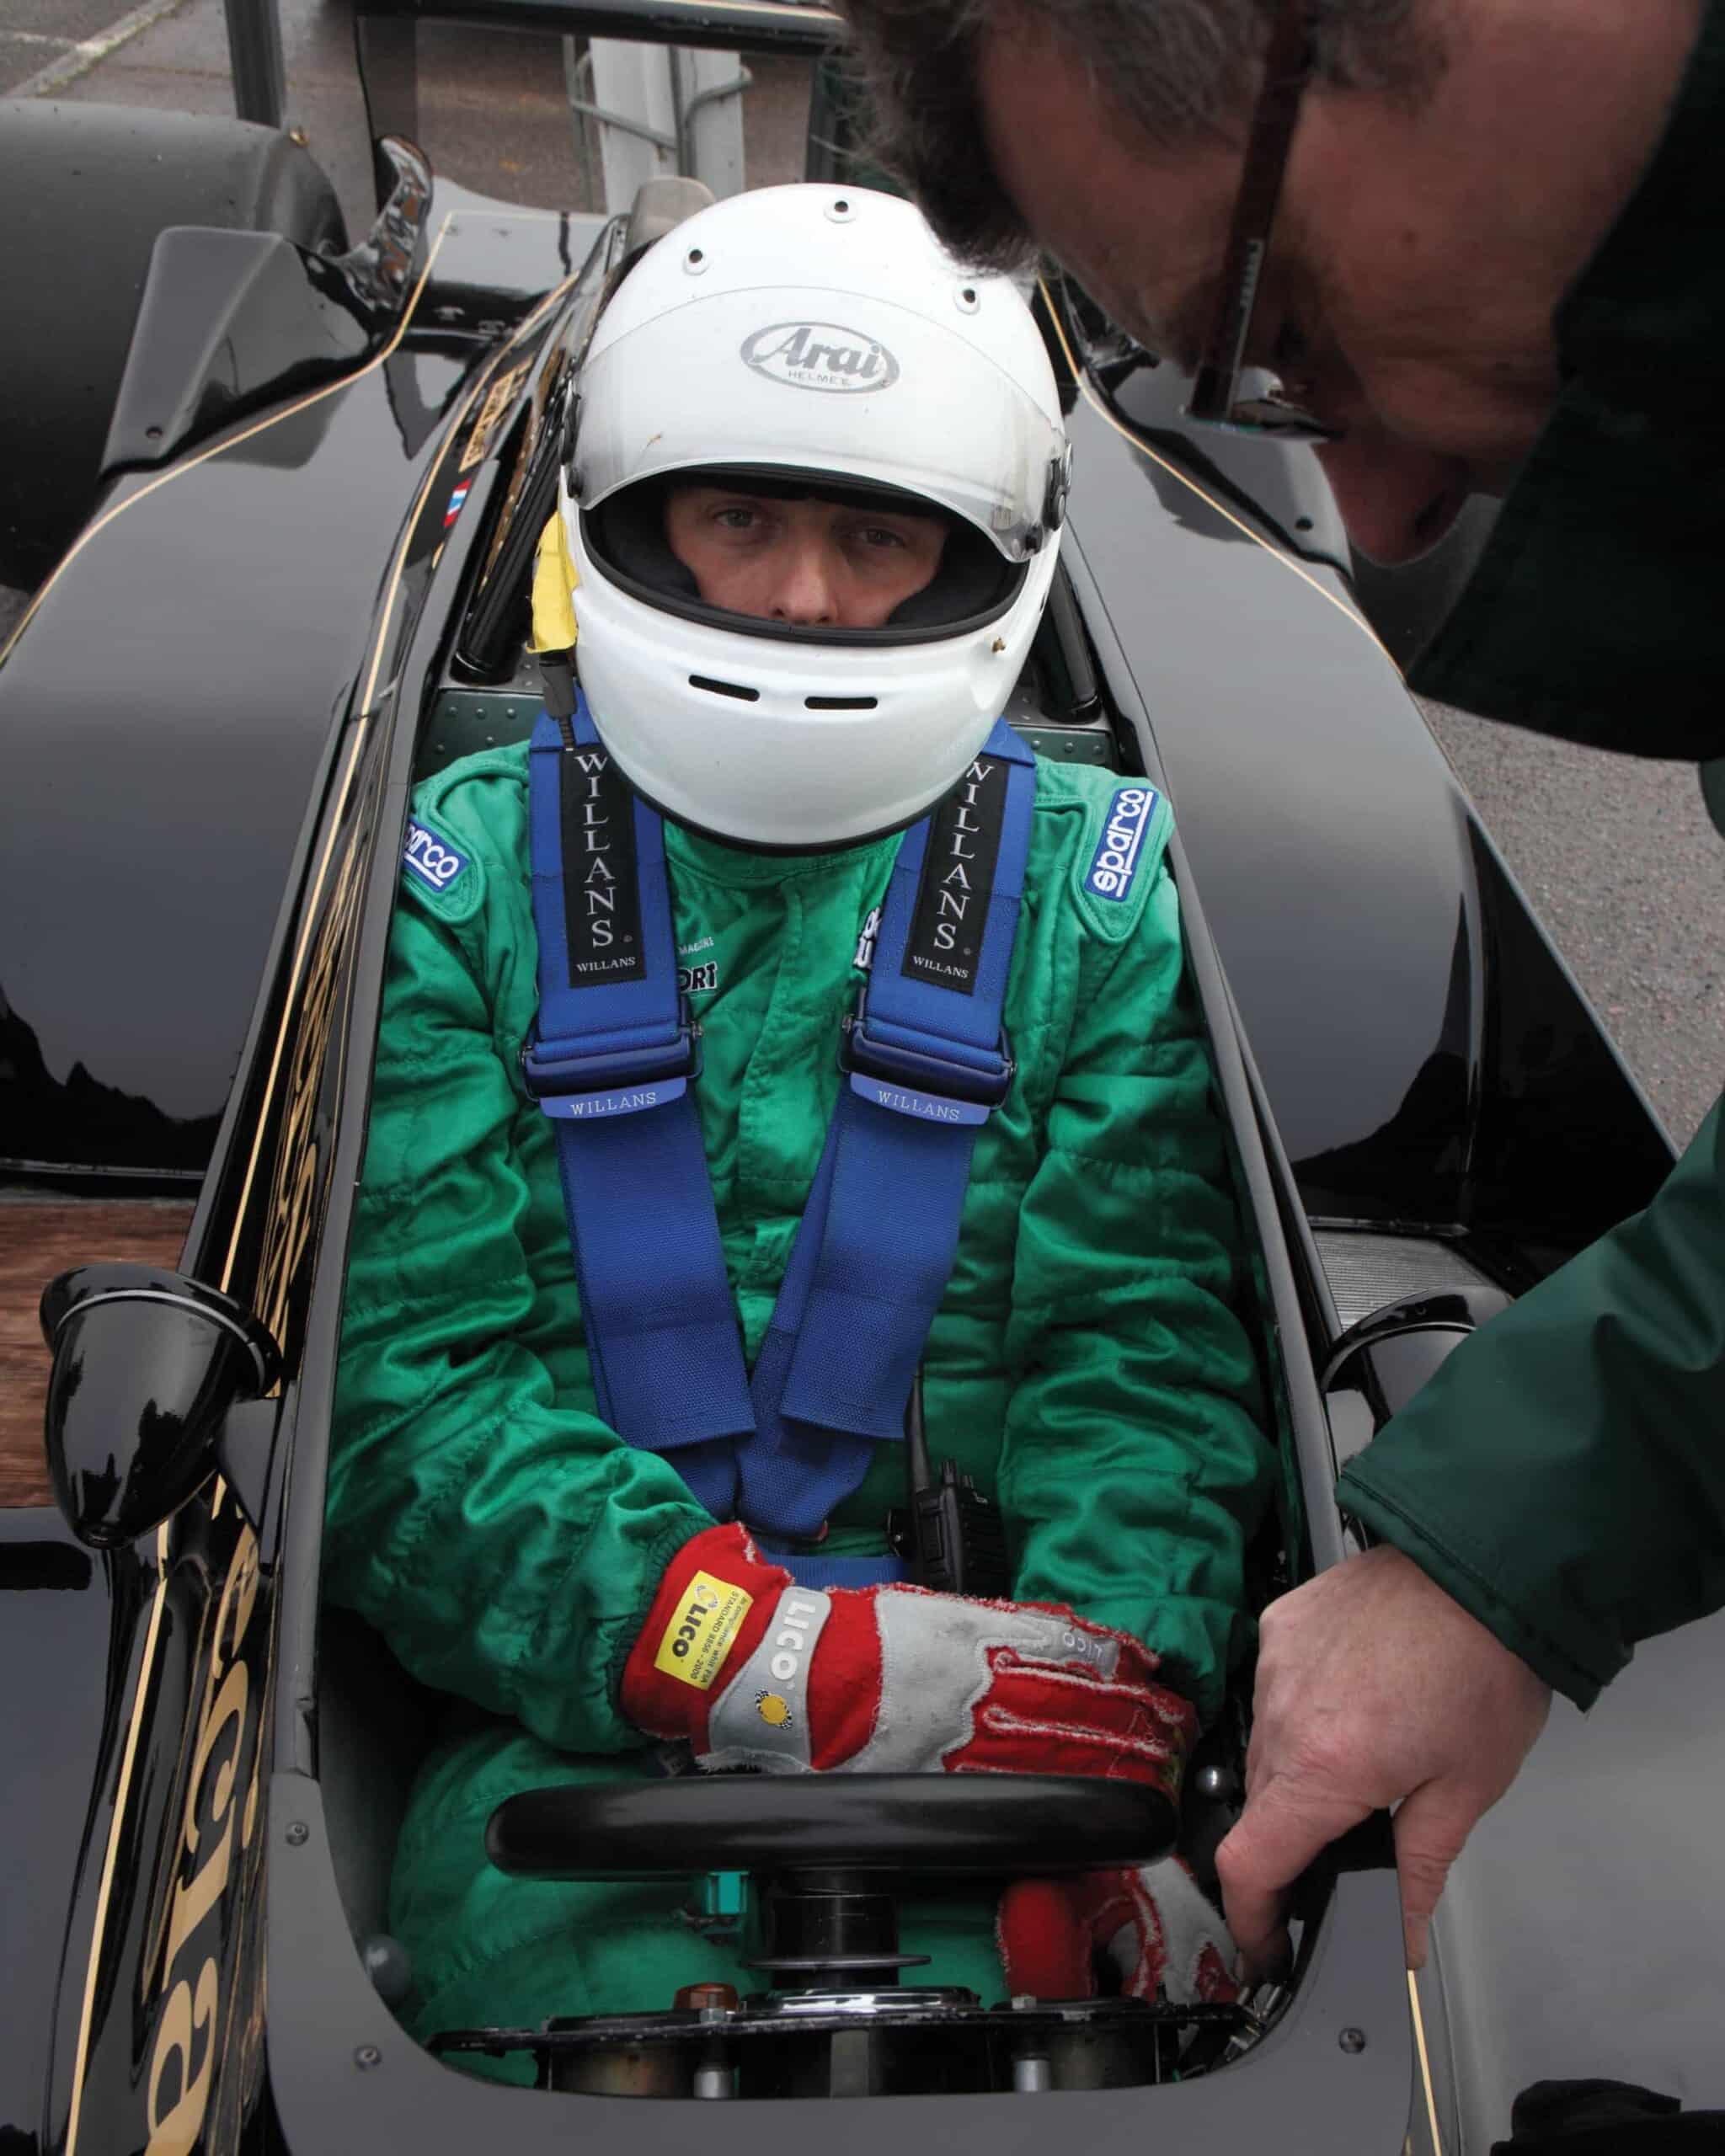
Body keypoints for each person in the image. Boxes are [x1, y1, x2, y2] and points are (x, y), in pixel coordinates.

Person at [324, 183, 1274, 2064]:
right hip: (567, 1747)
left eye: (874, 533)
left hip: (1013, 1730)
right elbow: (401, 1395)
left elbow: (1139, 1360)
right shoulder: (459, 888)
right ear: (629, 519)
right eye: (739, 517)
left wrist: (1113, 1699)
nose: (804, 599)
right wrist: (748, 1657)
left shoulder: (1093, 898)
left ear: (978, 553)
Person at [833, 0, 1725, 1980]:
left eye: (1283, 319)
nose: (1384, 516)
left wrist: (1125, 1651)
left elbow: (1134, 1317)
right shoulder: (491, 877)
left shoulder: (1089, 892)